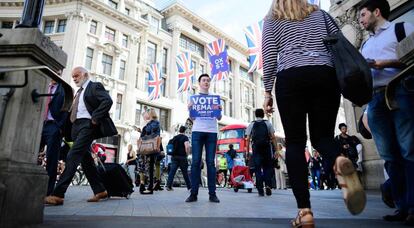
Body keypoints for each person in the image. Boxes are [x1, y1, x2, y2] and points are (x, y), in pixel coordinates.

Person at [262, 0, 366, 226]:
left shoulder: (271, 19)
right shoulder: (320, 14)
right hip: (324, 74)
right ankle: (339, 159)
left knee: (296, 143)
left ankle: (305, 212)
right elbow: (339, 42)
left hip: (290, 76)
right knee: (323, 138)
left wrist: (267, 91)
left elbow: (269, 56)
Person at [358, 0, 414, 225]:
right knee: (389, 155)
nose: (360, 21)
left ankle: (412, 206)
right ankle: (402, 205)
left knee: (408, 149)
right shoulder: (365, 45)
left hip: (400, 92)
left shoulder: (401, 29)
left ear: (376, 12)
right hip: (375, 99)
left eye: (363, 15)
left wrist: (384, 63)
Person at [44, 66, 117, 205]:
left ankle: (58, 194)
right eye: (73, 77)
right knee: (86, 160)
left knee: (73, 155)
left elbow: (107, 101)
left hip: (87, 125)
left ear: (85, 74)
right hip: (75, 127)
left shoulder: (94, 86)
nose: (74, 78)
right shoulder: (78, 92)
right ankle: (100, 190)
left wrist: (95, 118)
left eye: (77, 75)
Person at [185, 74, 221, 203]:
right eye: (204, 80)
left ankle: (213, 194)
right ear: (199, 83)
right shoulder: (193, 98)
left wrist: (219, 110)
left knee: (210, 163)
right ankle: (193, 193)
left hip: (211, 131)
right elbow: (193, 118)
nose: (206, 82)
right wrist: (190, 109)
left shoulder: (215, 98)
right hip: (197, 131)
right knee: (195, 162)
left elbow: (219, 118)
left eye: (208, 80)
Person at [39, 78, 68, 196]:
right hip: (39, 124)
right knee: (31, 155)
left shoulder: (64, 89)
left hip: (53, 126)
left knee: (51, 159)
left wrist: (59, 127)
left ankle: (48, 191)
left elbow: (67, 108)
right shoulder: (42, 84)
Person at [245, 108, 277, 197]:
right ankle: (268, 185)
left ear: (256, 115)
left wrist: (247, 151)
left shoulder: (252, 124)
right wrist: (276, 150)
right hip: (266, 148)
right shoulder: (267, 123)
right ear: (263, 115)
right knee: (267, 168)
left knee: (258, 169)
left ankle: (260, 190)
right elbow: (273, 137)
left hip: (256, 149)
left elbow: (247, 139)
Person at [137, 108, 162, 194]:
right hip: (149, 146)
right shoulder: (153, 123)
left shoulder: (154, 123)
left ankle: (150, 187)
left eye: (146, 113)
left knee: (150, 167)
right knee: (149, 167)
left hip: (150, 146)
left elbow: (149, 133)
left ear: (150, 114)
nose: (144, 115)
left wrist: (144, 126)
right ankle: (149, 186)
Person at [166, 126, 191, 191]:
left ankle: (169, 186)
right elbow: (187, 147)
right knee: (185, 173)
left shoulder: (175, 138)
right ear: (184, 131)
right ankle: (189, 187)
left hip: (174, 157)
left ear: (179, 130)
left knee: (172, 172)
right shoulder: (185, 137)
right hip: (182, 157)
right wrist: (187, 154)